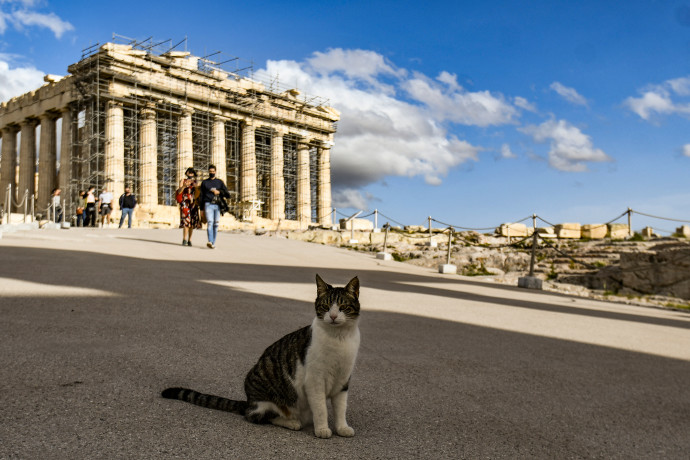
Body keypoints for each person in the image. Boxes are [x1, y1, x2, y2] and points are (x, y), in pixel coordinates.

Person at [200, 164, 230, 249]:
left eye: (213, 172)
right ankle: (210, 240)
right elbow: (201, 196)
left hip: (217, 205)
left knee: (216, 224)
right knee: (210, 222)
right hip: (208, 204)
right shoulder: (205, 183)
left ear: (215, 172)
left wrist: (219, 192)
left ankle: (212, 243)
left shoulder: (219, 182)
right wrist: (201, 209)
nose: (212, 173)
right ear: (208, 172)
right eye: (210, 172)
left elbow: (227, 194)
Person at [176, 167, 201, 246]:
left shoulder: (195, 182)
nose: (190, 174)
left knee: (192, 223)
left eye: (192, 173)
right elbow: (179, 192)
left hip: (193, 204)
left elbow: (197, 194)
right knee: (186, 222)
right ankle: (184, 239)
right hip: (185, 203)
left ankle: (190, 240)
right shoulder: (182, 181)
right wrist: (184, 186)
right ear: (186, 173)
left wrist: (196, 188)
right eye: (189, 172)